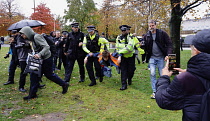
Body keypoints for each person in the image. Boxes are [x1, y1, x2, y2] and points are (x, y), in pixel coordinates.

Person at [155, 29, 210, 121]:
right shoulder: (188, 77)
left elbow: (164, 100)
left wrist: (164, 77)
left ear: (196, 51)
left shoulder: (186, 79)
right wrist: (194, 74)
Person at [19, 26, 69, 100]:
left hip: (46, 59)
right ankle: (32, 94)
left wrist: (39, 54)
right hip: (39, 59)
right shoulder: (32, 39)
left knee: (49, 75)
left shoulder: (36, 37)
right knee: (34, 76)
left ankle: (64, 84)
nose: (22, 36)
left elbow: (46, 47)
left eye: (23, 34)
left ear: (27, 33)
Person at [144, 20, 172, 99]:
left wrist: (168, 55)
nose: (151, 27)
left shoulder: (162, 33)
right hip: (152, 57)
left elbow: (169, 44)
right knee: (152, 73)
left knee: (162, 74)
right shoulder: (147, 35)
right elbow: (146, 46)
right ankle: (155, 91)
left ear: (156, 25)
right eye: (150, 26)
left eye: (152, 25)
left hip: (160, 57)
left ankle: (164, 90)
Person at [115, 25, 136, 90]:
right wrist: (119, 55)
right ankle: (124, 84)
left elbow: (129, 48)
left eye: (124, 30)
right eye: (122, 30)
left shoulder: (131, 37)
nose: (123, 32)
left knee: (131, 71)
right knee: (123, 71)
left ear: (127, 30)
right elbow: (117, 47)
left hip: (130, 57)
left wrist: (120, 52)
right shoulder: (118, 37)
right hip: (123, 57)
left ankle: (129, 79)